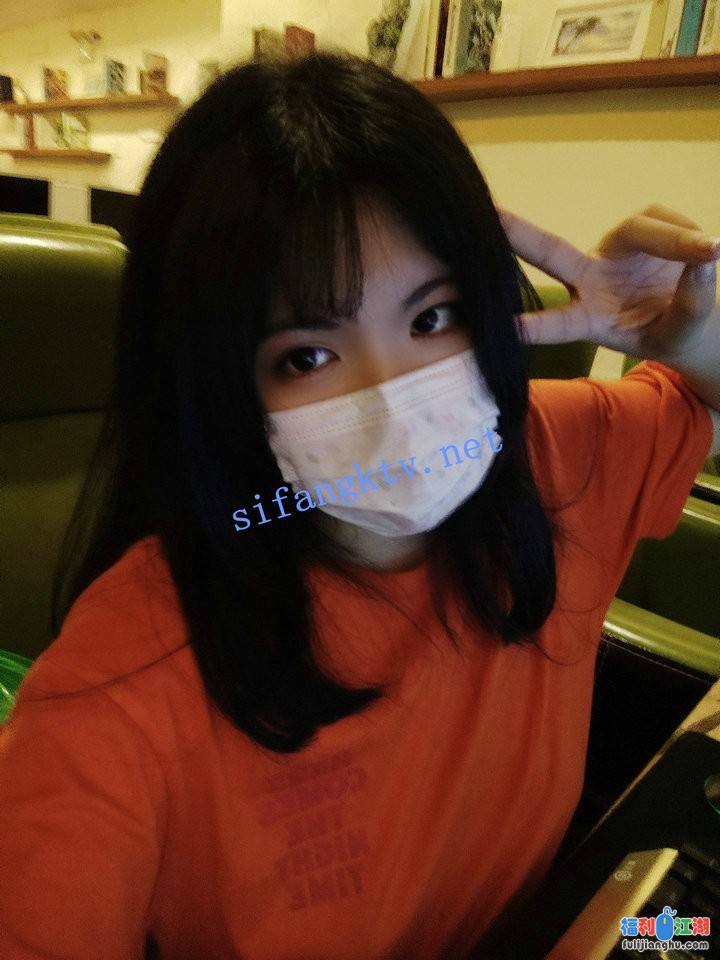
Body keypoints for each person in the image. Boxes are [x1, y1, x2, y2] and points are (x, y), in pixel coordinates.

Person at [0, 50, 718, 960]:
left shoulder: (545, 453)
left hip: (565, 931)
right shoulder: (123, 682)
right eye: (308, 356)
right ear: (219, 385)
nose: (395, 400)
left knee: (695, 929)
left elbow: (702, 406)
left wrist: (693, 337)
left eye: (431, 318)